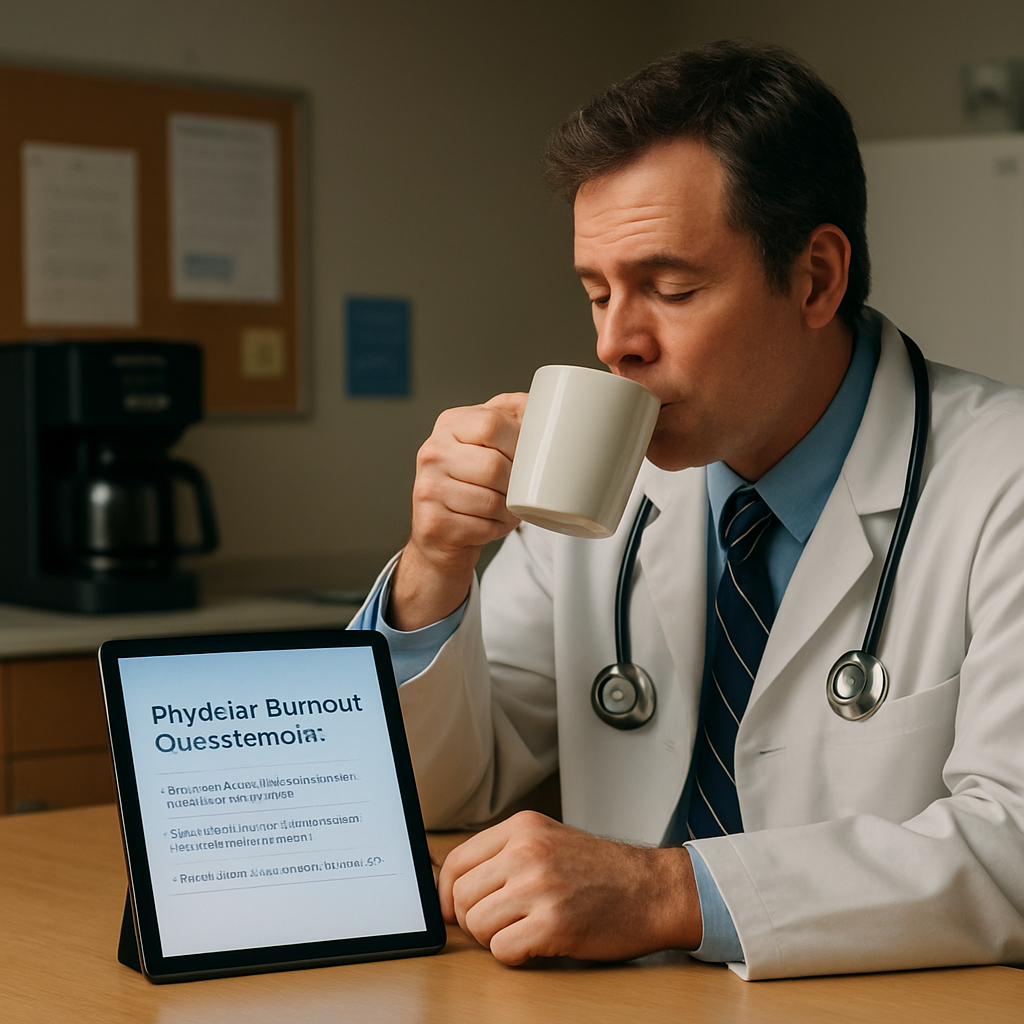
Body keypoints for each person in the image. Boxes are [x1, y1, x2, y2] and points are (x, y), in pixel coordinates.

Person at [350, 40, 1024, 979]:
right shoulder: (597, 485)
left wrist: (665, 892)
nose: (616, 345)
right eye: (597, 293)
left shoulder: (1005, 479)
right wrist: (433, 570)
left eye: (670, 289)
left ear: (817, 279)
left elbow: (1015, 849)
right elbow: (442, 789)